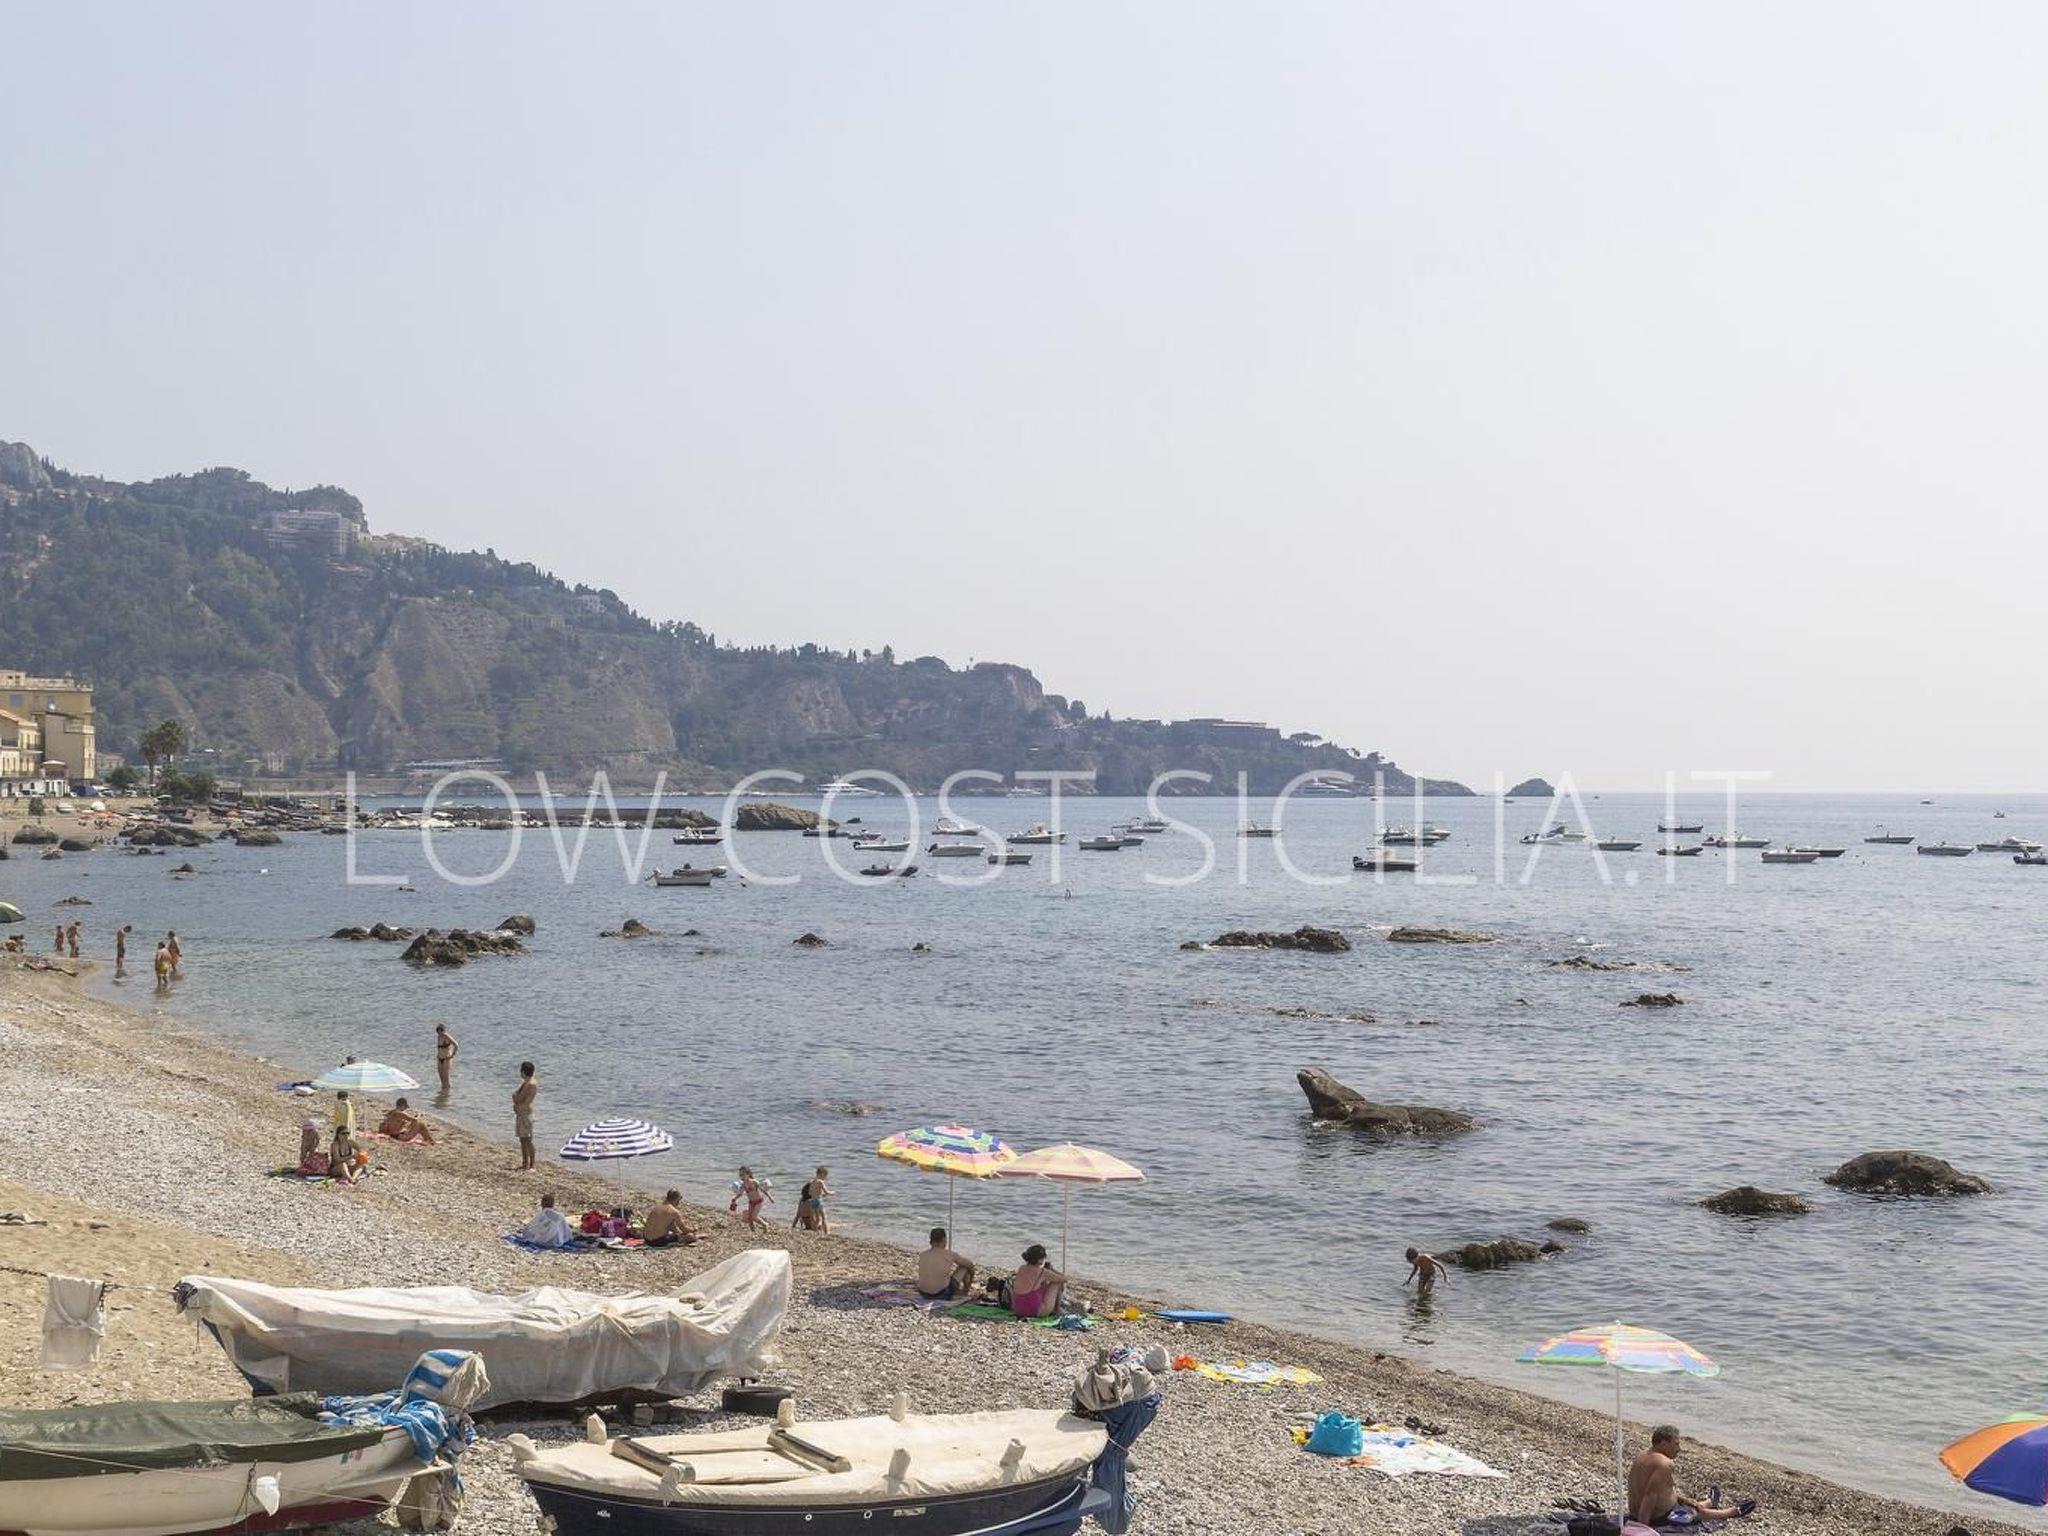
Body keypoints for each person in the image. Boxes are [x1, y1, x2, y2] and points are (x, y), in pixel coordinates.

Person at [1629, 1427, 1754, 1525]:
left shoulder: (1642, 1456)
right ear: (1663, 1443)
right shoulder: (1664, 1464)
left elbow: (1656, 1489)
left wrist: (1688, 1501)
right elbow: (1650, 1496)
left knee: (1692, 1505)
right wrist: (1643, 1526)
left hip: (1636, 1512)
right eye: (1676, 1444)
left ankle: (1709, 1502)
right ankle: (1732, 1512)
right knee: (1698, 1513)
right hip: (1658, 1516)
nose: (1679, 1449)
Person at [1006, 1244, 1066, 1318]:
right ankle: (1057, 1310)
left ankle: (1055, 1309)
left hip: (1019, 1310)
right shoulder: (1042, 1272)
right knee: (1056, 1283)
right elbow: (1064, 1279)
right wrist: (1052, 1269)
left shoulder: (1021, 1268)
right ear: (1040, 1260)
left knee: (1042, 1285)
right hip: (1035, 1312)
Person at [915, 1227, 974, 1299]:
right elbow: (970, 1264)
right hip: (942, 1295)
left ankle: (964, 1290)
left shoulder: (923, 1254)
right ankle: (965, 1291)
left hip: (923, 1293)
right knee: (964, 1268)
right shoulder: (950, 1254)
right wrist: (971, 1278)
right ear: (944, 1239)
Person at [513, 1062, 538, 1170]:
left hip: (525, 1115)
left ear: (523, 1072)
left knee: (527, 1140)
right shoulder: (528, 1082)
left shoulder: (529, 1084)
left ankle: (531, 1165)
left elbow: (518, 1098)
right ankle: (525, 1163)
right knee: (523, 1140)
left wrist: (514, 1096)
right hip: (522, 1114)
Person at [793, 1166, 832, 1232]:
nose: (825, 1178)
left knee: (816, 1218)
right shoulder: (820, 1182)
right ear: (822, 1174)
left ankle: (815, 1231)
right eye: (825, 1176)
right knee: (824, 1217)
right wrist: (831, 1193)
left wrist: (793, 1226)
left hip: (808, 1217)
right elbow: (826, 1192)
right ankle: (827, 1232)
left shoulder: (802, 1201)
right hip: (811, 1220)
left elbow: (797, 1215)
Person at [734, 1166, 772, 1230]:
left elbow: (763, 1190)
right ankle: (753, 1232)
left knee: (754, 1217)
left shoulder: (754, 1182)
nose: (741, 1177)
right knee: (749, 1218)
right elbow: (740, 1193)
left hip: (758, 1201)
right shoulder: (743, 1185)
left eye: (743, 1175)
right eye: (740, 1175)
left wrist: (770, 1197)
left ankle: (765, 1225)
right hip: (751, 1202)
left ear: (748, 1174)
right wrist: (734, 1199)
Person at [434, 1023, 457, 1092]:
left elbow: (456, 1045)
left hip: (446, 1059)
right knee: (441, 1076)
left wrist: (453, 1054)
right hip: (439, 1058)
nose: (439, 1033)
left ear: (443, 1031)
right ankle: (443, 1093)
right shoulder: (438, 1037)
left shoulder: (447, 1036)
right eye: (438, 1032)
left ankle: (448, 1093)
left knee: (446, 1077)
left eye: (440, 1032)